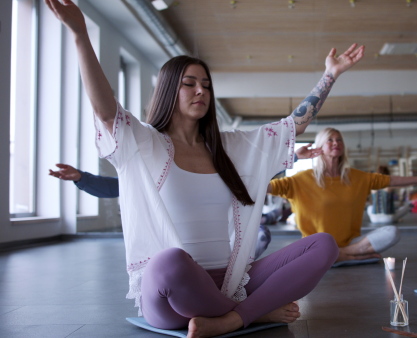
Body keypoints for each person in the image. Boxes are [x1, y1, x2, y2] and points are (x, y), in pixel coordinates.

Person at [45, 1, 365, 336]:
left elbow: (293, 124)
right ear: (169, 89)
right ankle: (256, 314)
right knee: (170, 261)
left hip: (230, 281)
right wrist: (81, 33)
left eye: (207, 85)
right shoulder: (146, 143)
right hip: (172, 290)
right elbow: (107, 112)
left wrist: (330, 74)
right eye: (190, 83)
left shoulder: (230, 147)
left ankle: (230, 318)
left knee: (324, 245)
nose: (202, 91)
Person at [268, 127, 417, 262]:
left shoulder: (357, 177)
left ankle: (337, 256)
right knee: (312, 250)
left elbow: (389, 180)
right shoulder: (300, 180)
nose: (336, 143)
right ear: (319, 146)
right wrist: (293, 158)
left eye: (339, 139)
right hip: (315, 246)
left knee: (391, 232)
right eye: (330, 140)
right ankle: (339, 257)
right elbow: (263, 186)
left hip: (351, 243)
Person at [48, 163, 272, 258]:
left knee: (260, 235)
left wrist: (290, 157)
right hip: (178, 243)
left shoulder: (216, 161)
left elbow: (256, 164)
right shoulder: (159, 167)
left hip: (219, 235)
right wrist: (81, 178)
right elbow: (118, 186)